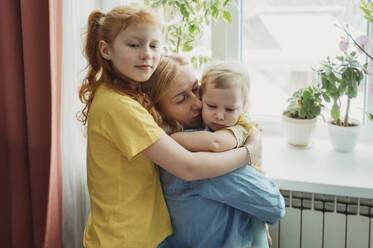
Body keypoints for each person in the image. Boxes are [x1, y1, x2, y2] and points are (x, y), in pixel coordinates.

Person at [78, 6, 257, 248]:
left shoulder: (120, 93)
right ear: (106, 50)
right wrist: (250, 152)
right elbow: (189, 167)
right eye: (134, 45)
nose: (146, 55)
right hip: (126, 239)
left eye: (154, 45)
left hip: (135, 234)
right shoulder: (118, 106)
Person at [146, 55, 286, 248]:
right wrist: (252, 149)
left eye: (196, 90)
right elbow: (274, 206)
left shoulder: (212, 133)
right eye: (181, 99)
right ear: (159, 111)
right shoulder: (196, 156)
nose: (197, 103)